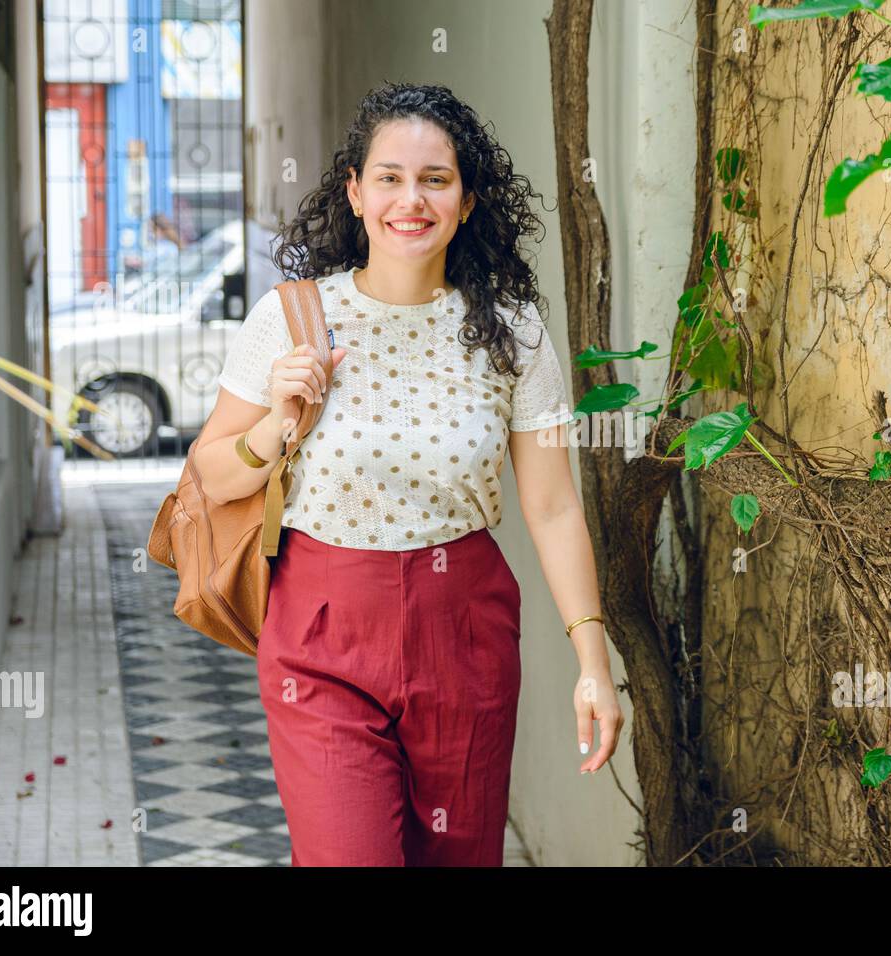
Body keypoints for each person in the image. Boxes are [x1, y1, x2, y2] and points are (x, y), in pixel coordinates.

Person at [192, 83, 622, 866]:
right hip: (322, 632)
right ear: (355, 193)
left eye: (436, 178)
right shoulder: (289, 319)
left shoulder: (514, 332)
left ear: (467, 198)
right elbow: (213, 478)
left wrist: (594, 661)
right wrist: (276, 426)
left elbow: (554, 507)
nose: (410, 200)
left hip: (465, 633)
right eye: (388, 177)